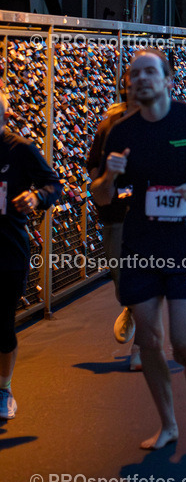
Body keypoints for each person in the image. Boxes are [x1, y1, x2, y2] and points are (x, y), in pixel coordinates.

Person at [91, 50, 186, 450]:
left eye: (149, 72)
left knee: (182, 341)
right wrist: (109, 176)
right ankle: (168, 424)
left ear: (168, 79)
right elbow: (102, 198)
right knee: (148, 339)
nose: (139, 79)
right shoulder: (119, 132)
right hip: (140, 246)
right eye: (133, 74)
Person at [0, 87, 61, 422]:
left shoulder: (19, 150)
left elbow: (55, 185)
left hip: (7, 253)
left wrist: (37, 198)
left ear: (6, 118)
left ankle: (4, 389)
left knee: (3, 327)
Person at [86, 72, 141, 370]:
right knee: (121, 276)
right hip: (115, 212)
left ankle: (141, 348)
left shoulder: (163, 122)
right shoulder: (108, 125)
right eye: (133, 81)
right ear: (124, 87)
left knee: (147, 276)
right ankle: (130, 305)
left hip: (150, 212)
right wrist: (104, 185)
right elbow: (93, 165)